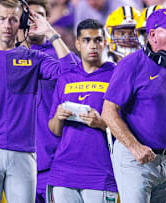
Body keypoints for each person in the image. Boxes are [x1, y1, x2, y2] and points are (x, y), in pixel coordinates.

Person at [101, 8, 166, 203]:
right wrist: (135, 147)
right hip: (136, 160)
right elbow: (108, 111)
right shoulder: (131, 64)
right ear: (153, 35)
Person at [0, 0, 76, 202]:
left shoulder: (32, 58)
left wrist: (50, 32)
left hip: (24, 152)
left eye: (13, 19)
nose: (7, 25)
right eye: (1, 19)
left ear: (21, 24)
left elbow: (71, 71)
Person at [47, 19, 118, 203]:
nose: (93, 45)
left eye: (98, 40)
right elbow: (54, 129)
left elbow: (129, 125)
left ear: (105, 42)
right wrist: (58, 116)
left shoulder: (116, 75)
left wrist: (102, 124)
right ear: (77, 44)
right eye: (86, 40)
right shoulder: (66, 78)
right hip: (63, 172)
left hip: (102, 172)